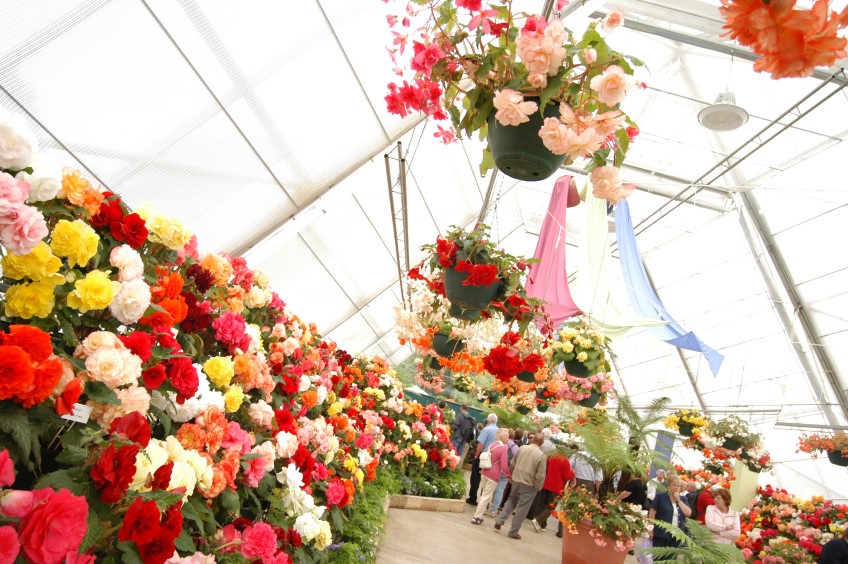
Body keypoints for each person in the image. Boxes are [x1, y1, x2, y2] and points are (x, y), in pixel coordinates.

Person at [494, 434, 547, 540]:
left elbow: (513, 463)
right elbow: (541, 474)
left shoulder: (522, 448)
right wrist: (538, 487)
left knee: (510, 501)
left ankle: (499, 521)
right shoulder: (541, 455)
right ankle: (513, 531)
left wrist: (510, 476)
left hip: (516, 480)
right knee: (522, 508)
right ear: (541, 443)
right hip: (529, 484)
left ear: (533, 440)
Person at [531, 450, 575, 537]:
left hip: (545, 484)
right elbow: (567, 476)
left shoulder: (550, 457)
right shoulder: (564, 461)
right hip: (556, 487)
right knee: (551, 507)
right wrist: (573, 473)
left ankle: (542, 525)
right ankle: (538, 521)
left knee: (543, 504)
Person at [471, 428, 511, 524]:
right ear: (502, 437)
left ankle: (478, 516)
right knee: (486, 496)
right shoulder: (503, 449)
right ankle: (476, 517)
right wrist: (508, 475)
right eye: (507, 437)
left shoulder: (492, 445)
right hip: (494, 474)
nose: (508, 439)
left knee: (484, 495)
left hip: (485, 471)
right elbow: (504, 465)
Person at [649, 475, 692, 557]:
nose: (676, 488)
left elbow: (688, 513)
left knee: (671, 558)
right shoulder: (660, 497)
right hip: (661, 533)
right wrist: (650, 529)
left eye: (678, 486)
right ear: (668, 486)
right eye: (674, 485)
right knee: (658, 557)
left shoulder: (683, 499)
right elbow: (652, 513)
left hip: (676, 535)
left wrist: (678, 500)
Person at [466, 413, 498, 506]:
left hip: (483, 456)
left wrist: (476, 456)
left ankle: (473, 498)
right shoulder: (499, 431)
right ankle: (485, 502)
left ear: (488, 420)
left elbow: (481, 444)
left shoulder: (486, 429)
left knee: (476, 477)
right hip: (493, 458)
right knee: (487, 479)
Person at [497, 429, 524, 514]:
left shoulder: (501, 444)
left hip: (497, 468)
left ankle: (486, 505)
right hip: (507, 471)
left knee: (491, 487)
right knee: (501, 490)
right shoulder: (516, 447)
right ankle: (497, 508)